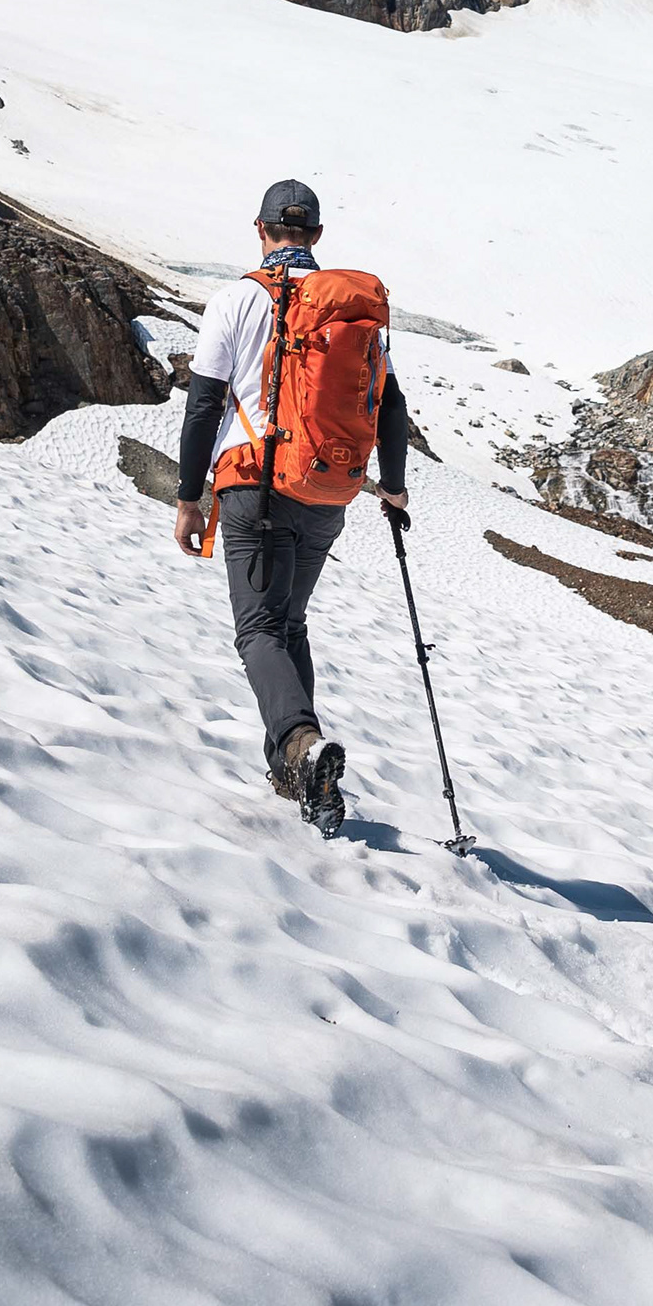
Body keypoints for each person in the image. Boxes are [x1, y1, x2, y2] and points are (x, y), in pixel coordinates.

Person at [172, 177, 411, 826]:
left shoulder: (236, 299)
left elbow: (203, 406)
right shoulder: (347, 308)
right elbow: (390, 405)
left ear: (261, 229)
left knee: (259, 629)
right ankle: (294, 773)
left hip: (253, 486)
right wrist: (392, 486)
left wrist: (189, 498)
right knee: (290, 624)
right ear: (318, 235)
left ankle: (301, 746)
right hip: (326, 492)